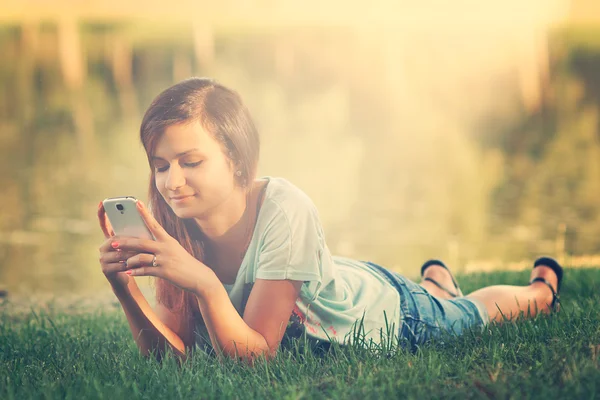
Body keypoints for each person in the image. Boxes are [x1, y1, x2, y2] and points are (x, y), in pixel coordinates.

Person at [97, 77, 564, 365]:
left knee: (468, 318)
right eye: (161, 165)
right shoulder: (174, 222)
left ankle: (540, 291)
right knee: (444, 301)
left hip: (385, 314)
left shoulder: (286, 209)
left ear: (236, 158)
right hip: (330, 278)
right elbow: (170, 358)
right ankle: (437, 283)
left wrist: (205, 283)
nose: (171, 181)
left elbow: (257, 358)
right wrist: (125, 288)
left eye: (190, 161)